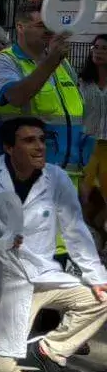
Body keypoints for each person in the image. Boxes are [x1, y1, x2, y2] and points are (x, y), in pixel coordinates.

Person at [0, 117, 107, 372]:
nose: (39, 147)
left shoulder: (57, 177)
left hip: (42, 275)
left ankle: (51, 350)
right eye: (29, 141)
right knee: (2, 368)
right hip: (1, 281)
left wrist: (97, 277)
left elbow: (75, 230)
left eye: (42, 140)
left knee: (102, 298)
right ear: (8, 147)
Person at [0, 1, 89, 178]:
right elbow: (16, 97)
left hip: (68, 174)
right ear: (20, 27)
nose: (48, 31)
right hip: (22, 175)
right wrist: (51, 61)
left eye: (51, 25)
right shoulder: (3, 61)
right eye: (41, 25)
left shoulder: (62, 64)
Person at [77, 34, 107, 228]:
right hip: (86, 144)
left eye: (104, 48)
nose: (99, 51)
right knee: (84, 197)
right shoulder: (81, 81)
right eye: (96, 47)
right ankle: (89, 237)